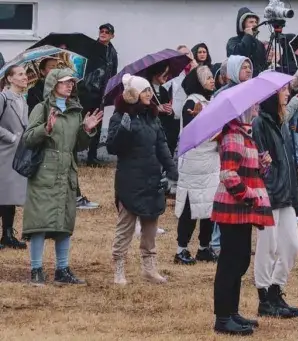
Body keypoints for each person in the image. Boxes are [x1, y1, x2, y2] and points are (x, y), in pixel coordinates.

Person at [21, 68, 103, 285]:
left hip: (67, 171)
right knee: (40, 222)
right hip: (44, 173)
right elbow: (28, 138)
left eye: (72, 83)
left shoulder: (76, 111)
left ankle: (62, 269)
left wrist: (86, 130)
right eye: (65, 82)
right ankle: (36, 269)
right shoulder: (42, 107)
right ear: (53, 84)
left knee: (64, 223)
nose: (70, 85)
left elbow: (78, 146)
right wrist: (45, 129)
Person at [106, 74, 178, 285]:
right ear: (134, 94)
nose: (150, 94)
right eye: (145, 90)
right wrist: (124, 128)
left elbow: (162, 147)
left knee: (150, 226)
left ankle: (149, 269)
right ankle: (119, 268)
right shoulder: (120, 116)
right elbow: (113, 147)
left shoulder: (152, 117)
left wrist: (172, 172)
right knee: (126, 226)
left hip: (152, 177)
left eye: (149, 90)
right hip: (130, 179)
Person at [211, 102, 274, 336]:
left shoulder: (245, 135)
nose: (256, 106)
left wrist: (262, 164)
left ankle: (233, 312)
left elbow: (249, 170)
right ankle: (223, 317)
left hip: (243, 208)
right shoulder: (232, 136)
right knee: (230, 262)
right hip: (232, 208)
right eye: (252, 104)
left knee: (241, 261)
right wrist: (249, 196)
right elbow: (228, 174)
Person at [251, 75, 298, 319]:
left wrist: (294, 191)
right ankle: (264, 297)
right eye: (283, 90)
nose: (287, 93)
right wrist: (269, 177)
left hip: (286, 194)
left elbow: (289, 160)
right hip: (268, 194)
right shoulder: (259, 124)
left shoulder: (282, 123)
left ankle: (276, 289)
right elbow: (261, 162)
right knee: (268, 246)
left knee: (292, 245)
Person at [175, 64, 220, 265]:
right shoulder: (191, 101)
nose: (212, 80)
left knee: (209, 205)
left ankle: (204, 247)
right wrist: (198, 117)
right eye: (207, 77)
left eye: (212, 77)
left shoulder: (211, 101)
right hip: (194, 161)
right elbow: (190, 128)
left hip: (210, 160)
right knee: (191, 205)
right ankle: (181, 249)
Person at [0, 64, 30, 248]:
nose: (25, 77)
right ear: (10, 78)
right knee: (2, 192)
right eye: (20, 74)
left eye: (25, 74)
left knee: (9, 194)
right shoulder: (3, 98)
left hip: (16, 153)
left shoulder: (23, 100)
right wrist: (11, 137)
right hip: (3, 151)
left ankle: (8, 234)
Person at [81, 22, 118, 167]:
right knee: (82, 121)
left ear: (112, 36)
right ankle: (75, 152)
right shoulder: (91, 47)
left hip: (101, 93)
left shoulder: (112, 52)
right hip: (87, 91)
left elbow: (113, 72)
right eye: (101, 31)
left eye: (106, 32)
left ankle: (92, 156)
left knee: (97, 122)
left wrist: (110, 90)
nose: (103, 34)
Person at [226, 8, 268, 77]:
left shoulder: (259, 44)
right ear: (242, 25)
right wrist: (248, 36)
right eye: (251, 22)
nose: (255, 24)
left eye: (256, 22)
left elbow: (262, 65)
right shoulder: (233, 41)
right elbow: (238, 55)